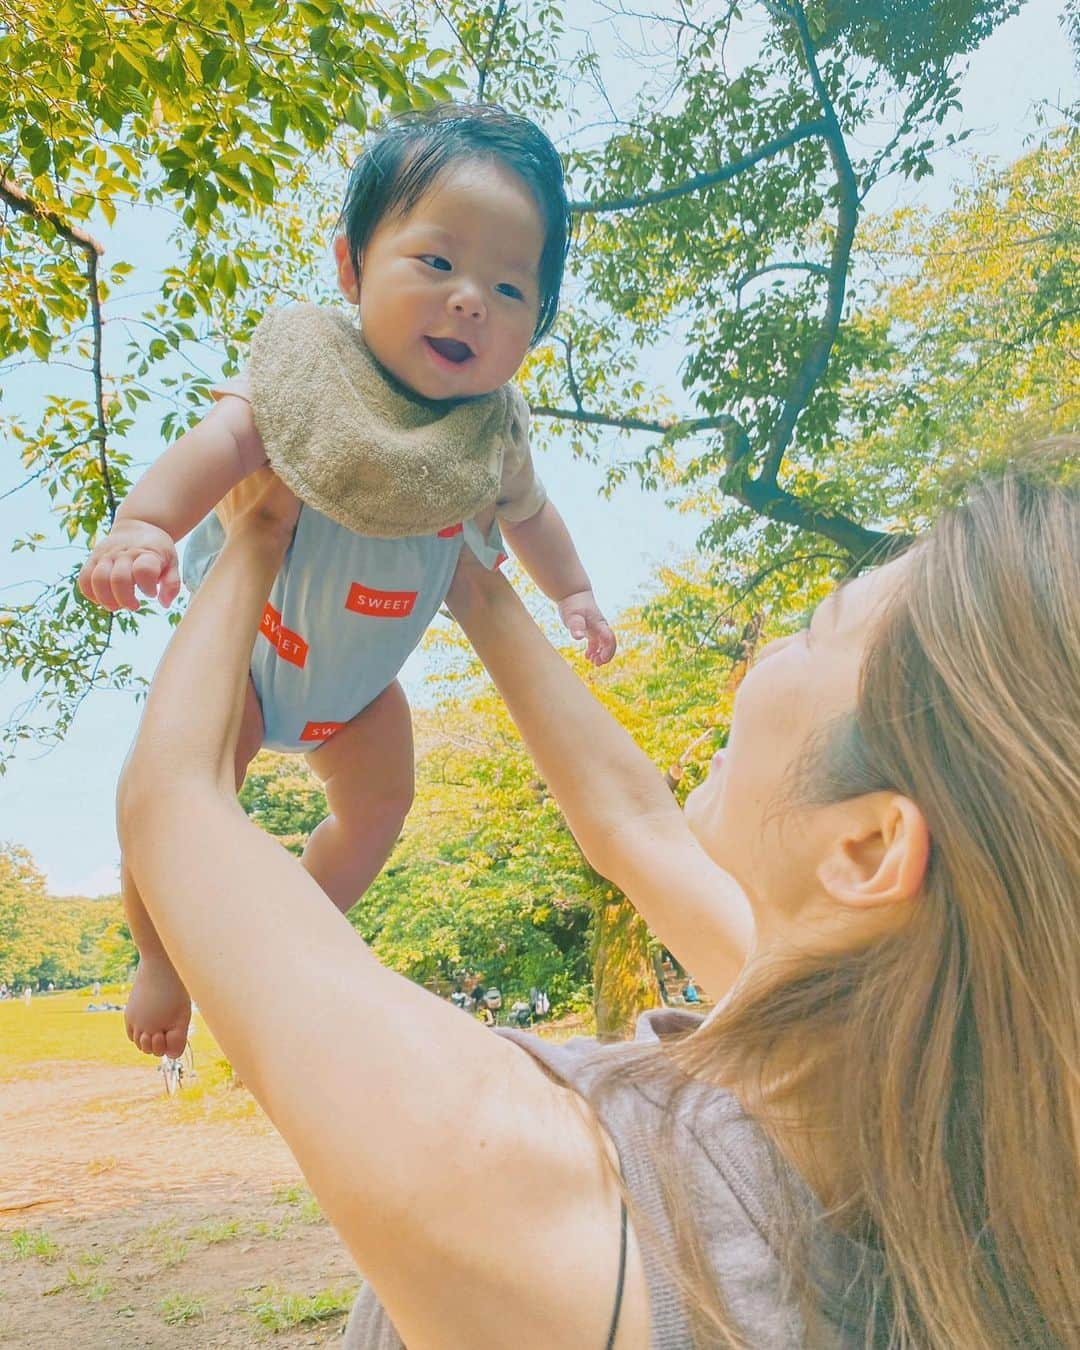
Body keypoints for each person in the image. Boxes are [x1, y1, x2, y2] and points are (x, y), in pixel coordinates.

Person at [117, 454, 1078, 1348]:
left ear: (866, 848)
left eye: (814, 634)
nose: (772, 646)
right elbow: (633, 824)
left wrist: (257, 535)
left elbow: (177, 803)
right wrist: (466, 574)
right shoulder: (925, 1132)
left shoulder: (535, 1187)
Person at [77, 103, 616, 1061]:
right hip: (245, 661)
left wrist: (570, 591)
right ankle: (160, 954)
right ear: (350, 267)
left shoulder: (489, 434)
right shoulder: (312, 372)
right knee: (174, 790)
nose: (469, 301)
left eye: (509, 286)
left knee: (381, 803)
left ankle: (301, 928)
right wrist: (144, 525)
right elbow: (218, 444)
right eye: (438, 263)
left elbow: (531, 517)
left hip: (359, 692)